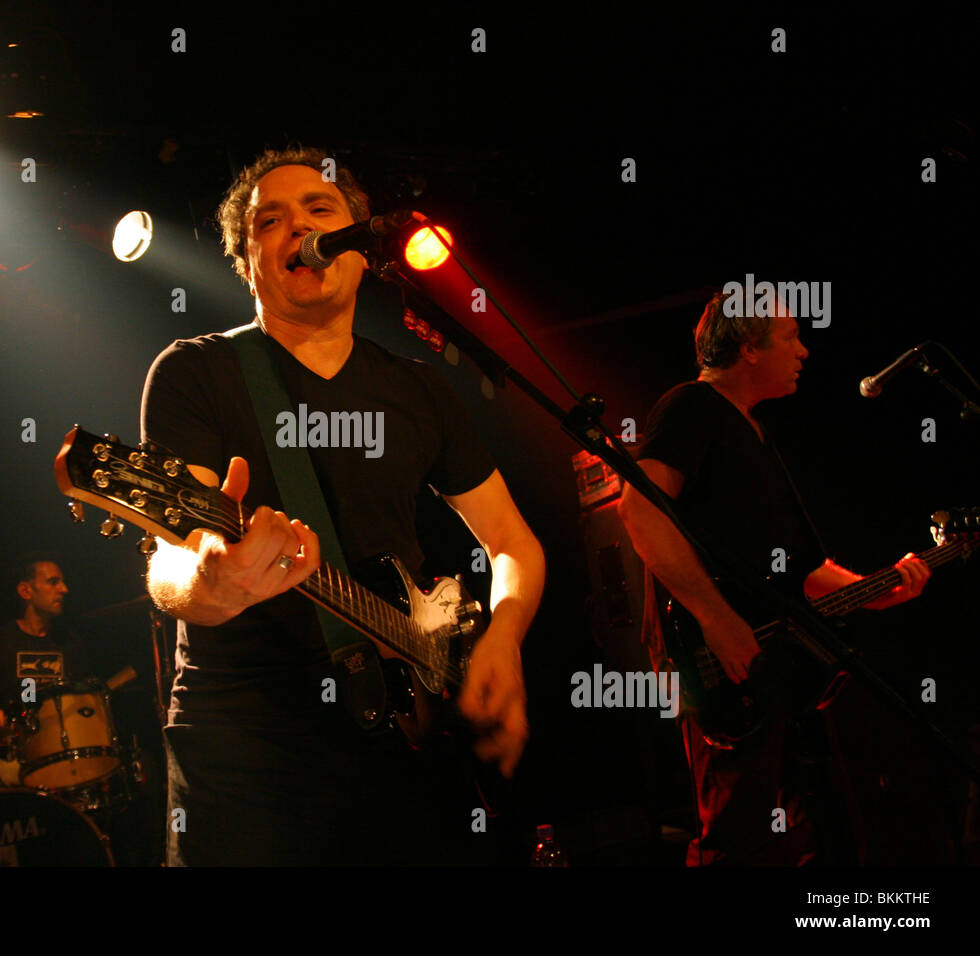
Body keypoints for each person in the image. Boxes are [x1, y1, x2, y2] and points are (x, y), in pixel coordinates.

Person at [139, 147, 545, 865]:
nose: (299, 227)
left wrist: (506, 638)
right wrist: (211, 581)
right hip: (250, 749)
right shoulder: (196, 372)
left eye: (320, 211)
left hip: (408, 746)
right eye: (271, 221)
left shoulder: (418, 389)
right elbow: (173, 563)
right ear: (248, 261)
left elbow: (512, 543)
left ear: (361, 250)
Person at [618, 291, 932, 865]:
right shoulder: (691, 406)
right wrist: (717, 620)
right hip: (723, 665)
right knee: (738, 838)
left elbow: (802, 573)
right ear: (747, 346)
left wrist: (879, 590)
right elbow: (639, 510)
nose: (805, 350)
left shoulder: (754, 434)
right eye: (791, 336)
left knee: (793, 837)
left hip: (777, 665)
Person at [0, 555, 89, 736]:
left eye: (63, 582)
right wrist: (26, 728)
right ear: (25, 591)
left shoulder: (70, 642)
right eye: (53, 582)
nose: (64, 589)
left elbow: (83, 703)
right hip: (14, 751)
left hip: (62, 747)